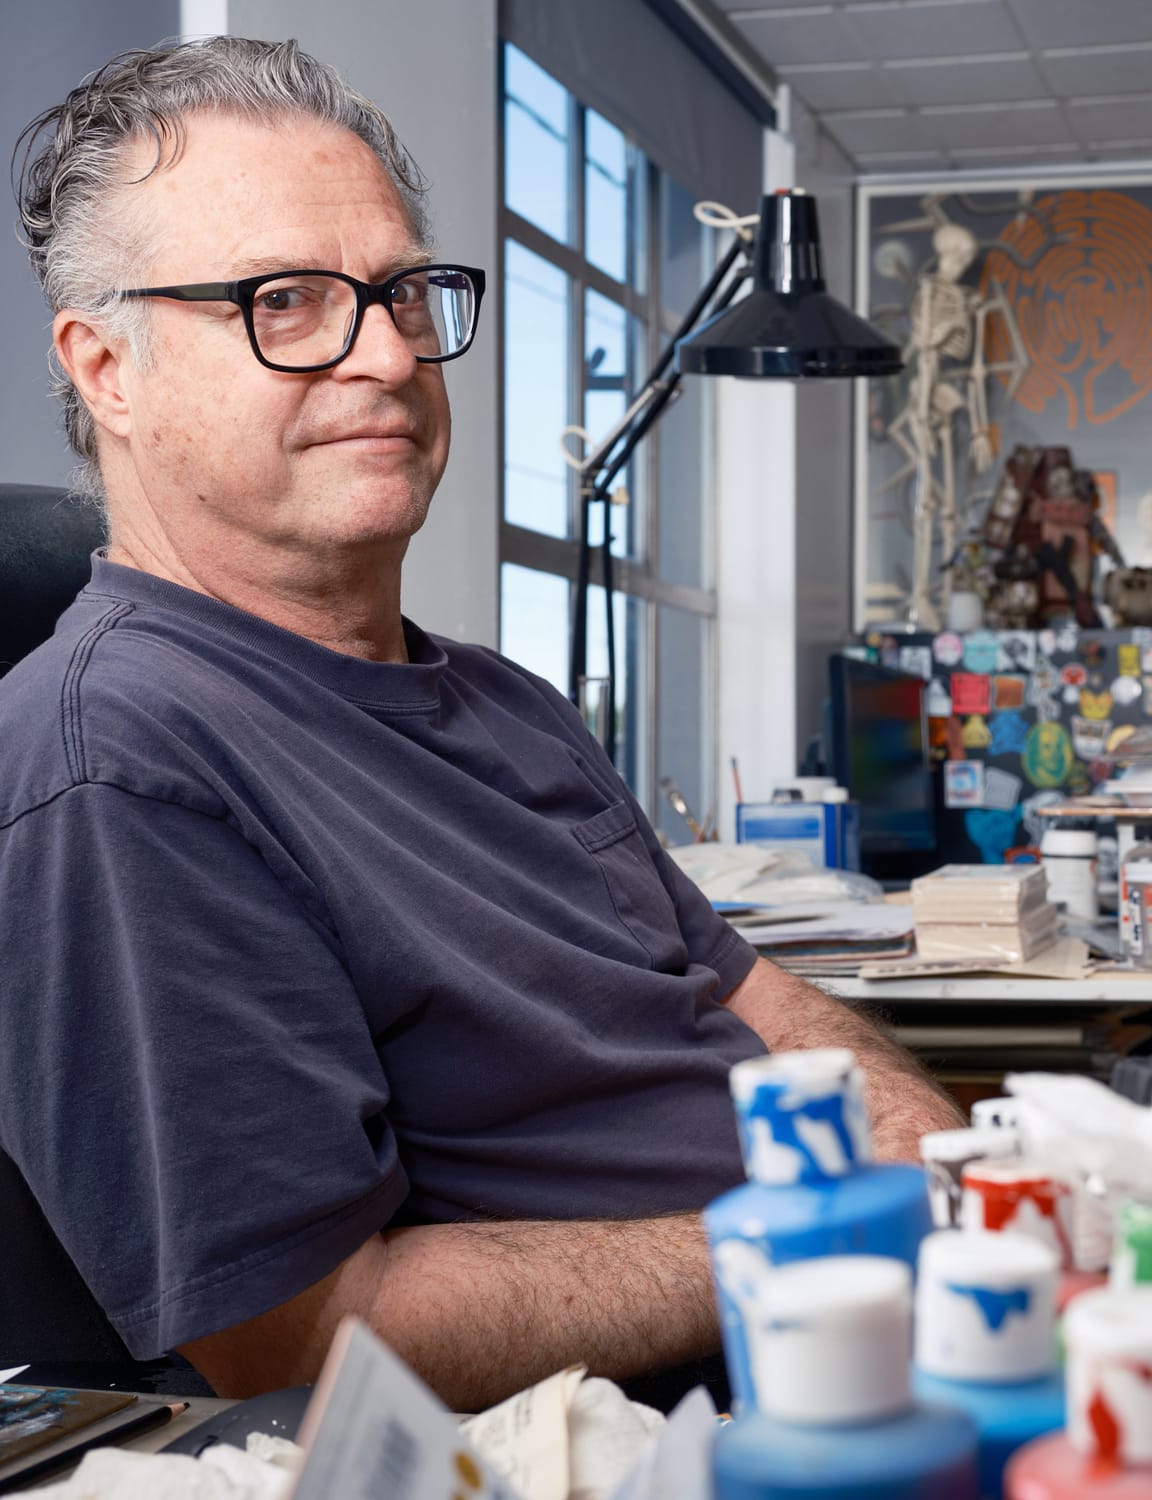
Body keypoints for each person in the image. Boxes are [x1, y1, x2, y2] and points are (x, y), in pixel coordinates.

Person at [0, 38, 962, 1412]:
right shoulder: (121, 764)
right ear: (108, 370)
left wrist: (934, 1154)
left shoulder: (508, 703)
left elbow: (748, 998)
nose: (386, 354)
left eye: (400, 293)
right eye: (288, 302)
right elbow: (319, 1336)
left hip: (874, 1330)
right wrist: (825, 1238)